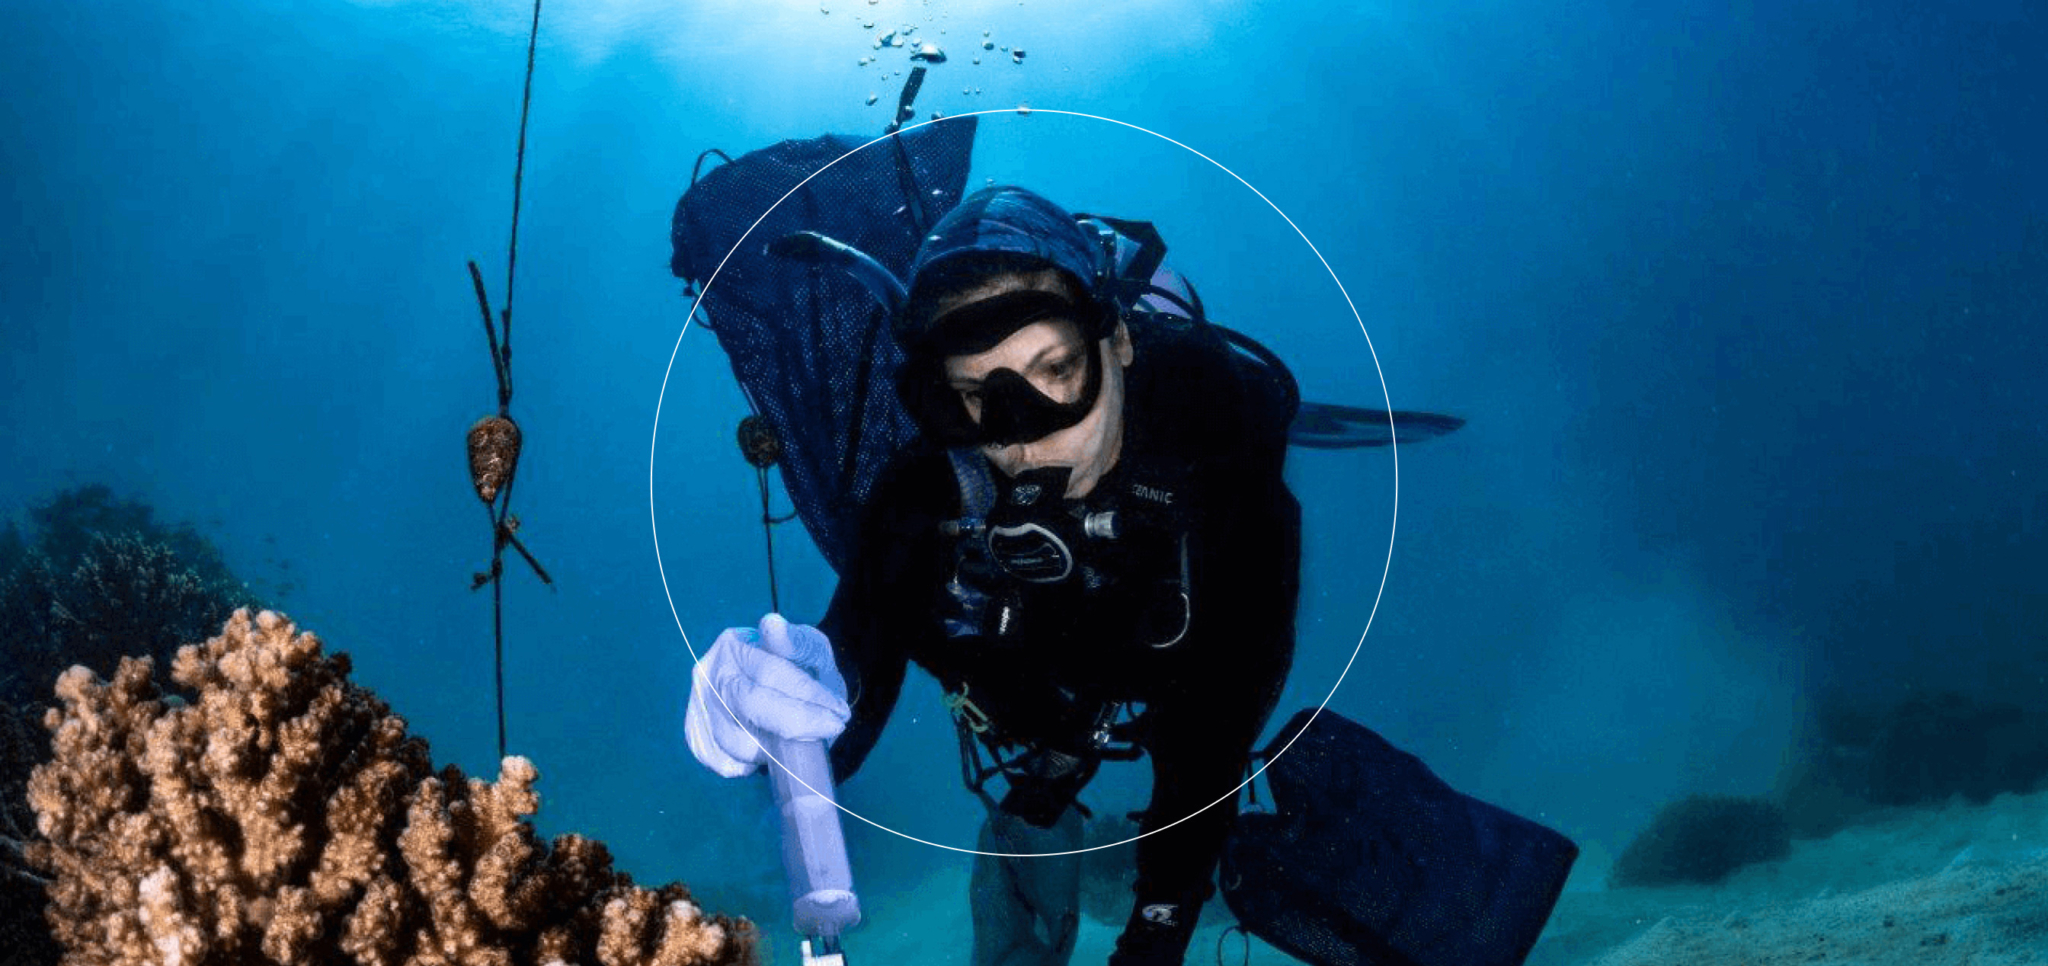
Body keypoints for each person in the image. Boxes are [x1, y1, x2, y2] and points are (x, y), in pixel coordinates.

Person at [686, 185, 1300, 966]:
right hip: (1040, 681)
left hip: (1178, 665)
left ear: (1116, 345)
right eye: (977, 397)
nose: (1025, 438)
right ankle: (1054, 767)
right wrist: (770, 716)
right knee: (1026, 707)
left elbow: (1221, 718)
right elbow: (844, 683)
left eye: (1057, 370)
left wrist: (1160, 923)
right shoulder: (924, 497)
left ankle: (1062, 765)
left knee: (1196, 701)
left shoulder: (1213, 447)